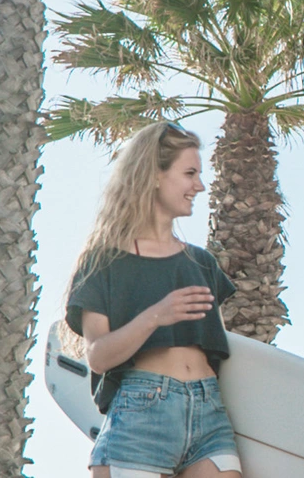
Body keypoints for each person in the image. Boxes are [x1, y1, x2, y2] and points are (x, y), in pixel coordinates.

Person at [67, 122, 241, 478]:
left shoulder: (201, 262)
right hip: (140, 413)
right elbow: (98, 357)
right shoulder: (104, 261)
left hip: (209, 411)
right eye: (190, 173)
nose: (200, 186)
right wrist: (156, 316)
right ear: (154, 175)